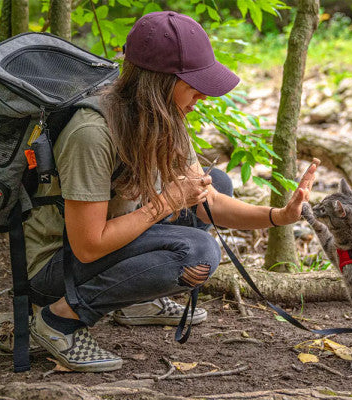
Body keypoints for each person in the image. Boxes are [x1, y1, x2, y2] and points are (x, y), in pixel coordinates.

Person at [24, 10, 321, 372]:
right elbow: (88, 246)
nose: (203, 96)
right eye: (195, 85)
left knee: (216, 183)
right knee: (197, 254)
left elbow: (208, 202)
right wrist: (166, 202)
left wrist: (278, 217)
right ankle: (61, 319)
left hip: (105, 242)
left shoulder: (163, 117)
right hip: (56, 266)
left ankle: (137, 301)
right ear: (160, 82)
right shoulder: (92, 133)